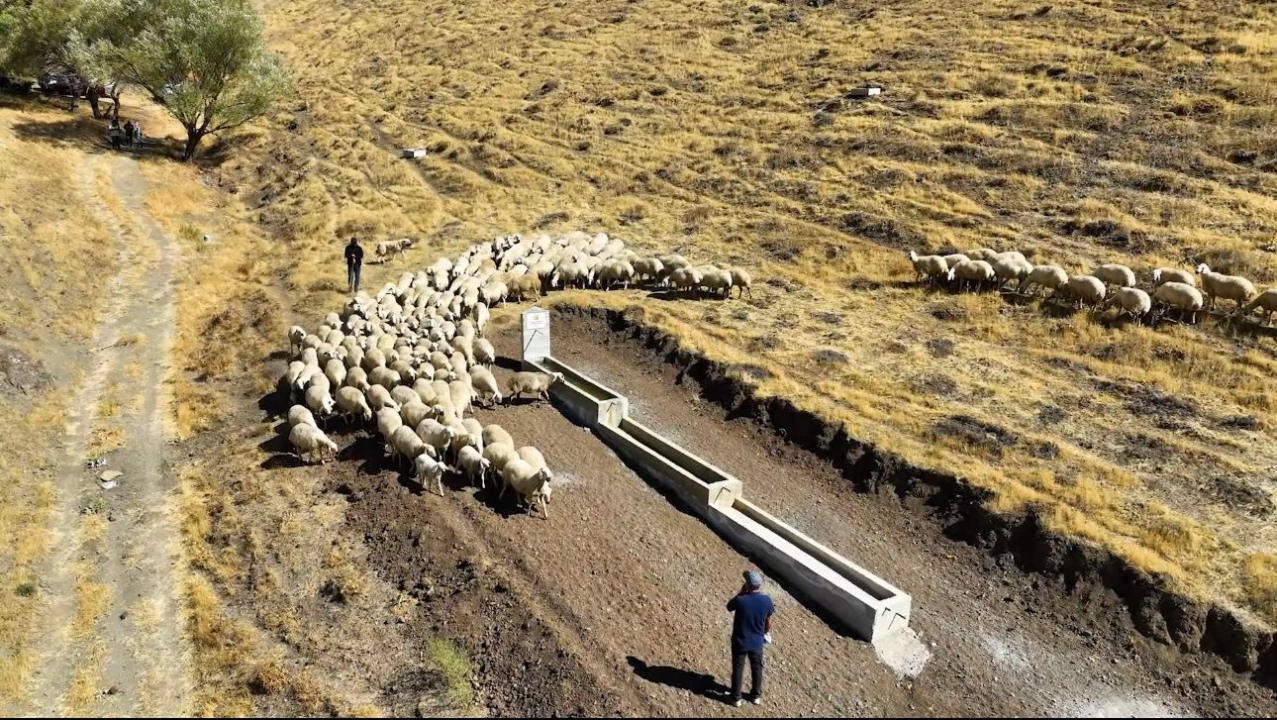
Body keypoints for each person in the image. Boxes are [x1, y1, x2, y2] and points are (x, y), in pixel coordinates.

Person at [726, 569, 774, 707]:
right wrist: (765, 631)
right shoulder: (766, 600)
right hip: (757, 642)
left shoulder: (741, 600)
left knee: (738, 669)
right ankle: (755, 696)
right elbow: (768, 620)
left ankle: (736, 698)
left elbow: (729, 606)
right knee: (757, 668)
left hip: (740, 641)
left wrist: (741, 592)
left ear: (747, 585)